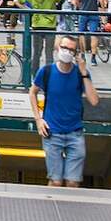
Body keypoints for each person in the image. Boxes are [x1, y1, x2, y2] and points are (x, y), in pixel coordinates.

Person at [29, 35, 99, 187]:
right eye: (64, 47)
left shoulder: (80, 74)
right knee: (56, 181)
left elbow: (94, 100)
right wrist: (38, 119)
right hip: (52, 132)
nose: (66, 51)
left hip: (75, 133)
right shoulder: (46, 71)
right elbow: (32, 92)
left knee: (72, 182)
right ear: (58, 48)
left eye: (71, 49)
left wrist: (84, 72)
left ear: (76, 53)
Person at [12, 0, 63, 74]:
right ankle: (49, 76)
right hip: (50, 24)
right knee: (49, 54)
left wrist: (27, 9)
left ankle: (34, 76)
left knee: (36, 53)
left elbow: (16, 0)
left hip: (37, 23)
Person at [74, 0, 103, 66]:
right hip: (93, 12)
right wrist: (103, 8)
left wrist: (80, 7)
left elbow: (76, 0)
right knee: (93, 34)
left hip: (82, 12)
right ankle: (93, 57)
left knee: (81, 33)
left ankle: (83, 54)